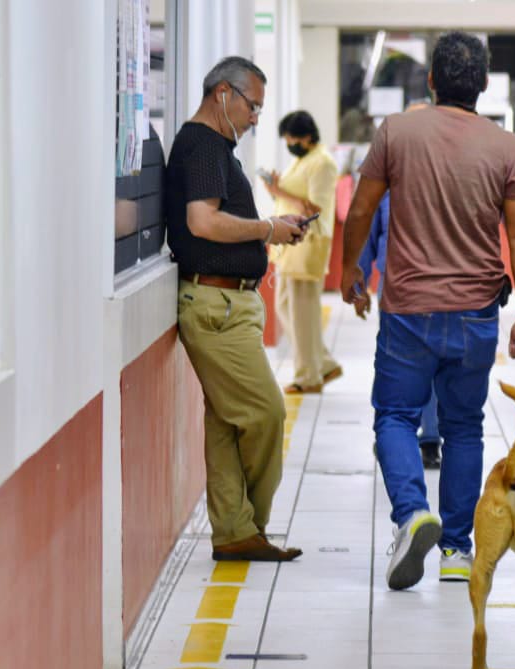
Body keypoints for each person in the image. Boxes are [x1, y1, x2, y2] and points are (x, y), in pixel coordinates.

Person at [340, 31, 515, 590]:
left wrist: (349, 270)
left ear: (431, 80)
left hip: (407, 310)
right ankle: (456, 549)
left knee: (396, 417)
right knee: (465, 428)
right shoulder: (508, 146)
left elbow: (360, 210)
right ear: (482, 85)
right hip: (477, 310)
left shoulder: (396, 131)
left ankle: (411, 514)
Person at [164, 57, 307, 563]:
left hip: (229, 301)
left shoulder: (217, 147)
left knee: (227, 423)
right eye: (253, 107)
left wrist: (271, 225)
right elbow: (202, 222)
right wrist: (267, 229)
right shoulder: (202, 143)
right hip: (215, 304)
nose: (254, 119)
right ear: (223, 92)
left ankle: (233, 532)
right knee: (266, 413)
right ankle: (252, 524)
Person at [358, 190, 442, 470]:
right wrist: (359, 282)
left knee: (412, 362)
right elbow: (370, 234)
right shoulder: (387, 187)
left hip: (430, 286)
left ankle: (420, 438)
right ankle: (404, 437)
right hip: (402, 285)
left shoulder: (388, 186)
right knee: (404, 362)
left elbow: (369, 235)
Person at [268, 110, 341, 393]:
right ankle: (322, 362)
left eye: (291, 137)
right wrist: (275, 190)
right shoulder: (304, 159)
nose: (288, 142)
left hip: (308, 242)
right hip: (291, 244)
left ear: (307, 136)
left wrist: (279, 191)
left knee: (301, 311)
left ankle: (308, 376)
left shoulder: (322, 163)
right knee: (287, 307)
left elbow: (315, 208)